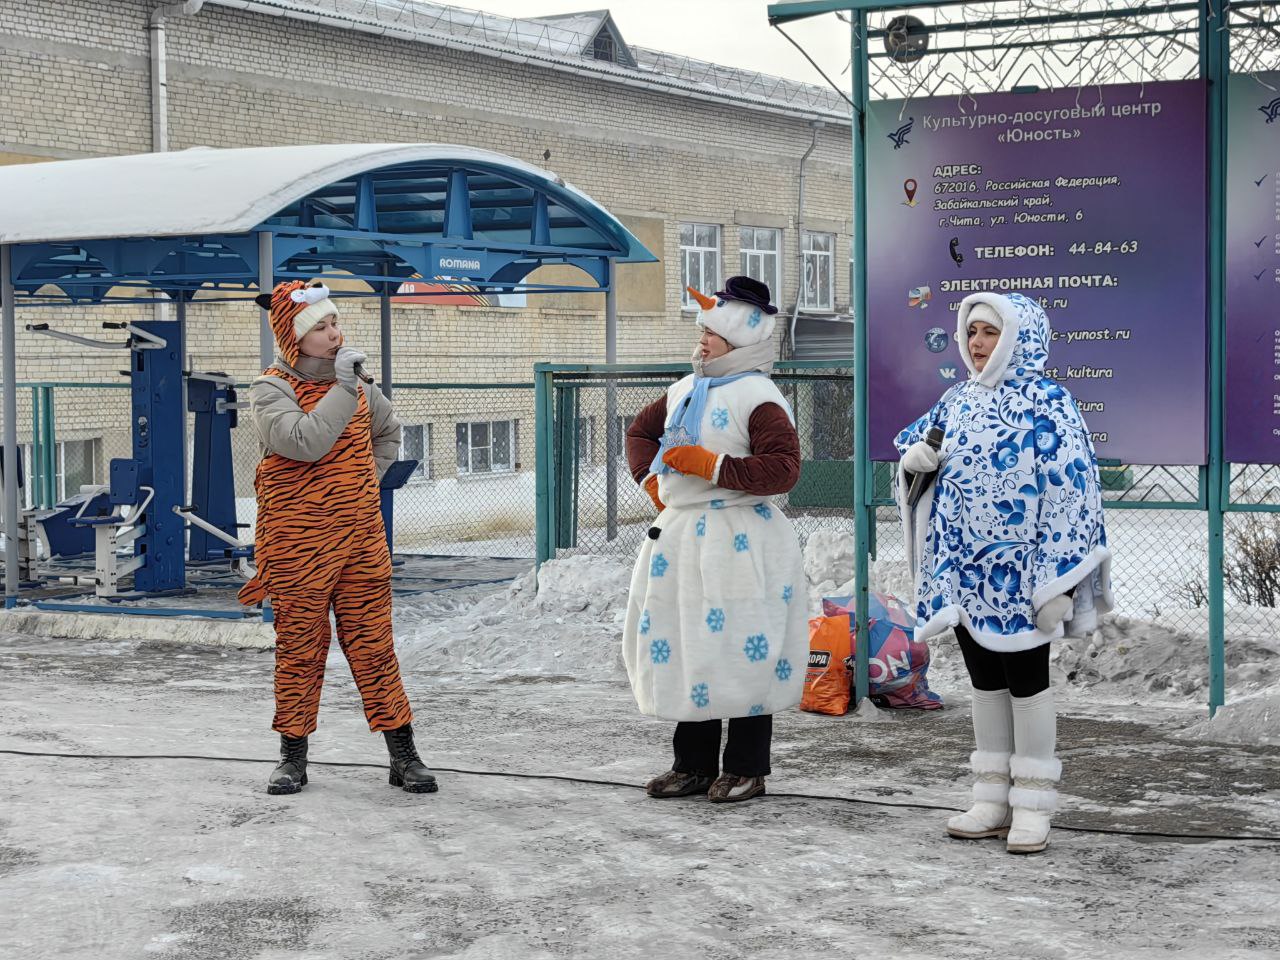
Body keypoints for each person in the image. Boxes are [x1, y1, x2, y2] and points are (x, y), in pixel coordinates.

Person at [895, 291, 1113, 853]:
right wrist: (914, 464)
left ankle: (1033, 805)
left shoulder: (1049, 403)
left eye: (990, 332)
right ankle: (991, 798)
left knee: (1027, 682)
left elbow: (1072, 493)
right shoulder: (957, 400)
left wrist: (1059, 581)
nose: (977, 343)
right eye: (971, 332)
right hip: (965, 572)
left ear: (1020, 337)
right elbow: (920, 454)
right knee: (984, 681)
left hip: (1022, 576)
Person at [239, 280, 437, 796]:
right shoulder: (271, 389)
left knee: (374, 645)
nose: (334, 334)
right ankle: (293, 757)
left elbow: (388, 432)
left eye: (334, 323)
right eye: (320, 327)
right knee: (300, 648)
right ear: (294, 337)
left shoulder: (361, 387)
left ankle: (403, 755)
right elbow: (303, 441)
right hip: (297, 542)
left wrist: (362, 481)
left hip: (360, 539)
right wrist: (345, 389)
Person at [622, 276, 807, 804]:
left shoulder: (758, 396)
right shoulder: (685, 389)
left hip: (739, 538)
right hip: (682, 538)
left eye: (711, 334)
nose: (701, 342)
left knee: (743, 649)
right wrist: (651, 481)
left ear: (739, 340)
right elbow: (640, 432)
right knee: (691, 647)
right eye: (702, 333)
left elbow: (784, 469)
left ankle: (747, 767)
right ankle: (693, 765)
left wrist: (713, 466)